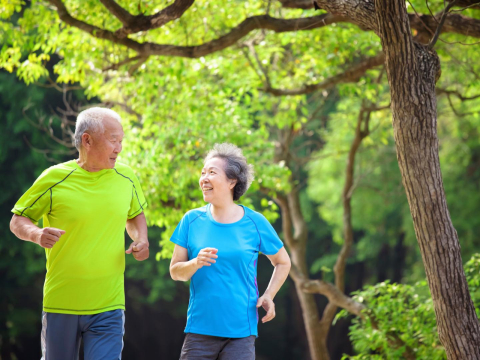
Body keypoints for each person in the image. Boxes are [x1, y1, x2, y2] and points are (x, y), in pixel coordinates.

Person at [9, 107, 149, 360]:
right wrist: (36, 234)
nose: (119, 148)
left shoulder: (126, 177)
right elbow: (19, 219)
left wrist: (141, 239)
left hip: (109, 304)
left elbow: (135, 214)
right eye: (113, 140)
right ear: (87, 140)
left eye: (121, 141)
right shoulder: (54, 178)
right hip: (61, 303)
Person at [170, 143, 291, 360]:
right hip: (199, 329)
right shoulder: (191, 220)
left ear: (231, 181)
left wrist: (269, 295)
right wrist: (195, 263)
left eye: (212, 172)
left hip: (241, 333)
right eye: (203, 172)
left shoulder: (255, 222)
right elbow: (176, 272)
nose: (204, 178)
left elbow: (283, 261)